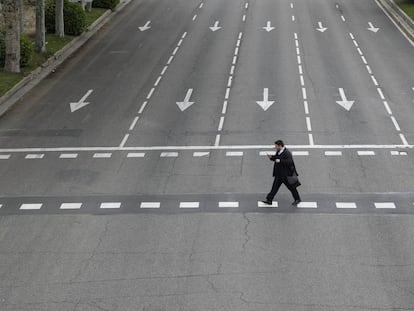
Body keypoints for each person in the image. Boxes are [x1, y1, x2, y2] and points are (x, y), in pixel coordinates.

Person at [262, 140, 301, 206]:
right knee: (274, 187)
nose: (275, 147)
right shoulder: (279, 151)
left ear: (280, 146)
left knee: (292, 188)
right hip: (279, 175)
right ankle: (269, 200)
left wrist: (280, 161)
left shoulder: (287, 153)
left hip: (286, 175)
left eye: (276, 146)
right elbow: (276, 158)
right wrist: (272, 158)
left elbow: (289, 162)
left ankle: (297, 199)